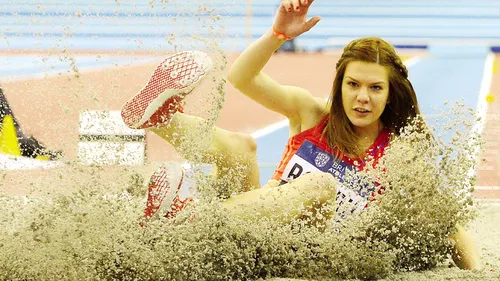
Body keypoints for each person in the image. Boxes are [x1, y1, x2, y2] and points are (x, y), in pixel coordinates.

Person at [120, 0, 480, 270]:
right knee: (242, 147)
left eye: (375, 88)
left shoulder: (398, 153)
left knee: (319, 186)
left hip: (305, 256)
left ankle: (188, 217)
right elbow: (242, 78)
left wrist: (478, 273)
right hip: (249, 229)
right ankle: (162, 119)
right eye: (353, 85)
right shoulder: (313, 114)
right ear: (340, 85)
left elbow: (446, 221)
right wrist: (277, 36)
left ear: (391, 93)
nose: (362, 98)